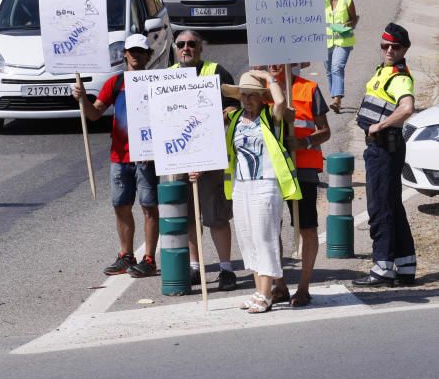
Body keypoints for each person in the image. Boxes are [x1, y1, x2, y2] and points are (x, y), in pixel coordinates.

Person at [72, 33, 159, 278]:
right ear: (124, 54)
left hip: (147, 157)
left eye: (140, 51)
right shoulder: (115, 83)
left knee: (149, 207)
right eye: (131, 50)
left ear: (148, 55)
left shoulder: (157, 81)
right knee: (121, 205)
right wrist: (82, 99)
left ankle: (149, 258)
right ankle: (126, 255)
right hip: (119, 157)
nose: (135, 55)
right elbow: (94, 114)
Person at [222, 70, 301, 313]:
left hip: (266, 183)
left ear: (260, 97)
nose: (246, 100)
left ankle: (267, 294)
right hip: (241, 185)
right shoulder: (235, 119)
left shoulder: (270, 116)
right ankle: (259, 291)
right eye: (243, 95)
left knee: (265, 238)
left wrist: (267, 76)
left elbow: (280, 102)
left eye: (252, 95)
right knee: (248, 240)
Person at [170, 29, 240, 291]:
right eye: (181, 44)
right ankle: (195, 267)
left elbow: (235, 107)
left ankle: (226, 269)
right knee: (188, 216)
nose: (186, 48)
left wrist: (219, 117)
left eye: (191, 44)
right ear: (176, 49)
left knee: (216, 217)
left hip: (210, 158)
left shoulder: (217, 72)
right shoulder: (167, 77)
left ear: (200, 48)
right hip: (179, 159)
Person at [353, 22, 416, 287]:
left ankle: (382, 267)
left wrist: (380, 125)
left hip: (384, 147)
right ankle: (405, 265)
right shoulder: (385, 70)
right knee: (392, 205)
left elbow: (407, 108)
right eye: (385, 45)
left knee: (379, 208)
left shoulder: (399, 76)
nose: (389, 50)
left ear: (405, 49)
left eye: (395, 47)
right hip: (381, 148)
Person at [268, 65, 331, 307]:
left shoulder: (308, 89)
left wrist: (303, 142)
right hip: (271, 169)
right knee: (271, 228)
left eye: (278, 59)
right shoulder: (260, 90)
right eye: (269, 59)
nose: (273, 64)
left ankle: (304, 288)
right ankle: (279, 285)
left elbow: (325, 131)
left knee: (307, 228)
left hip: (302, 170)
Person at [323, 0, 357, 113]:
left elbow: (354, 19)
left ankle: (337, 100)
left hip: (343, 41)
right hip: (325, 41)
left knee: (337, 67)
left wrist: (347, 24)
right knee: (329, 71)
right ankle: (335, 98)